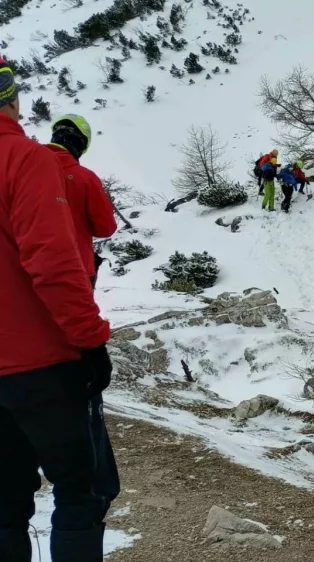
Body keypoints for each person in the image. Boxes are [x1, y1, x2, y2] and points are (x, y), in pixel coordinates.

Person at [0, 60, 118, 562]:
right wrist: (90, 341)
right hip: (41, 358)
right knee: (80, 489)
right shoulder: (23, 159)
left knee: (3, 499)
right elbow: (54, 261)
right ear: (11, 99)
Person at [46, 114, 117, 288]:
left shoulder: (21, 169)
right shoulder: (85, 178)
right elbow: (105, 228)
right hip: (74, 272)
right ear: (81, 144)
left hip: (23, 271)